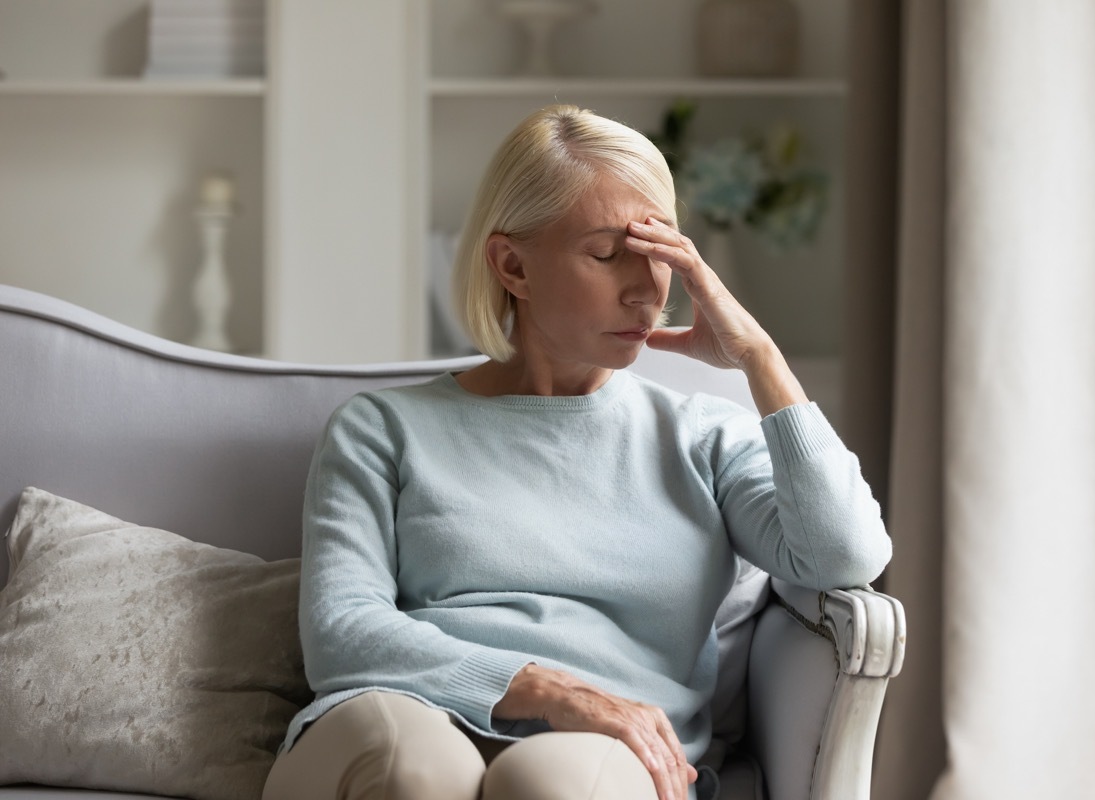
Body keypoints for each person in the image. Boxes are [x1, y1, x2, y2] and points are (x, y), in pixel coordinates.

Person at [262, 104, 891, 800]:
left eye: (658, 253)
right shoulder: (382, 428)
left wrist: (759, 358)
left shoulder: (706, 435)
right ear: (512, 265)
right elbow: (342, 632)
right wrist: (540, 688)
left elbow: (844, 555)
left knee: (557, 784)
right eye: (606, 252)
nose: (644, 287)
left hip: (607, 755)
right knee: (415, 771)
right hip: (411, 717)